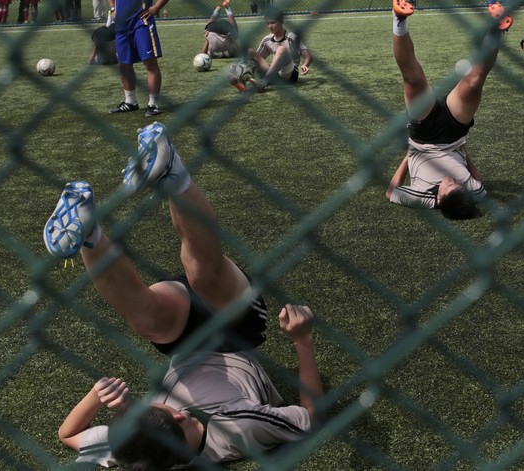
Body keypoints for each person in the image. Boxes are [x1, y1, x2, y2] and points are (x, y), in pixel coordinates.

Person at [47, 122, 323, 468]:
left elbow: (68, 435)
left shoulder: (136, 450)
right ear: (179, 418)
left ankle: (89, 234)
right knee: (204, 276)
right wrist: (303, 339)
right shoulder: (239, 431)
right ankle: (173, 174)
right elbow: (309, 419)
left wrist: (96, 396)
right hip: (237, 337)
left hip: (180, 341)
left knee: (147, 321)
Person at [384, 0, 508, 219]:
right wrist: (466, 154)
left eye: (449, 186)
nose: (452, 180)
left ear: (439, 200)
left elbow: (391, 192)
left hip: (424, 136)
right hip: (454, 133)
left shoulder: (423, 198)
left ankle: (399, 18)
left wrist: (407, 158)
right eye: (459, 185)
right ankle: (495, 27)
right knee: (475, 81)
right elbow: (478, 183)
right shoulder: (470, 191)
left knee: (413, 78)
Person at [107, 0, 170, 117]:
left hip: (142, 21)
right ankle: (130, 102)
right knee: (123, 64)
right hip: (122, 24)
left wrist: (156, 7)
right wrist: (112, 9)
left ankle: (153, 104)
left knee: (149, 63)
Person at [245, 10, 312, 92]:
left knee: (281, 49)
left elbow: (308, 56)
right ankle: (246, 78)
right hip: (274, 74)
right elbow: (259, 59)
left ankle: (263, 82)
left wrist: (305, 65)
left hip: (289, 74)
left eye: (273, 22)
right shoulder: (267, 40)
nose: (270, 26)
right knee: (250, 51)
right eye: (267, 23)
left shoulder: (292, 37)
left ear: (282, 21)